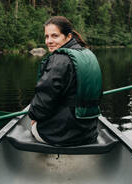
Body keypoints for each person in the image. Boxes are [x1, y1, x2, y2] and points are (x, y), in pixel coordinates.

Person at [28, 16, 103, 146]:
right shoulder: (88, 54)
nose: (49, 41)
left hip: (62, 135)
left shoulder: (59, 59)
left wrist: (34, 116)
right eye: (47, 36)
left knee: (33, 126)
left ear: (68, 37)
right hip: (89, 132)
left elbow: (43, 100)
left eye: (55, 36)